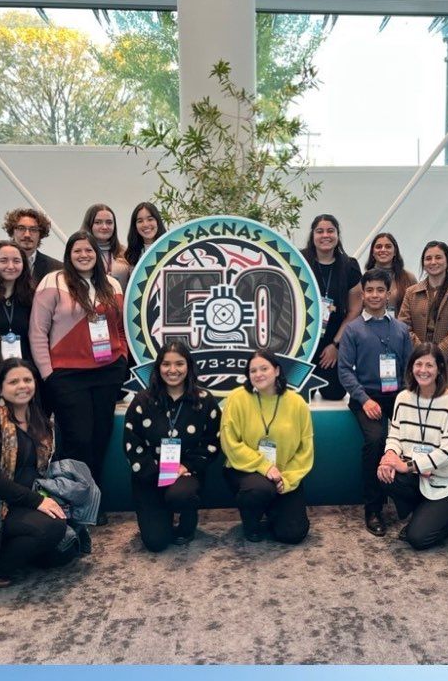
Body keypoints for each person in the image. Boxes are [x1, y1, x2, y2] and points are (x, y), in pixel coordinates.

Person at [0, 359, 89, 584]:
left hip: (24, 498)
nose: (23, 386)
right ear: (0, 388)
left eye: (28, 380)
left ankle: (14, 549)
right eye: (14, 381)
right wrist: (38, 501)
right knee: (53, 528)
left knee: (64, 554)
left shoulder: (37, 418)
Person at [29, 230, 128, 484]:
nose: (84, 255)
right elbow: (37, 331)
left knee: (101, 437)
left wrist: (122, 358)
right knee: (78, 439)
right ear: (69, 254)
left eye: (89, 250)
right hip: (67, 375)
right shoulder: (53, 282)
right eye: (78, 250)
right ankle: (75, 498)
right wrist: (48, 373)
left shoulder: (112, 284)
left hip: (107, 372)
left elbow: (119, 327)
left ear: (97, 254)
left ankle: (93, 499)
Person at [121, 337, 223, 550]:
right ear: (158, 368)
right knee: (156, 542)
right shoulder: (141, 401)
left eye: (179, 363)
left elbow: (212, 442)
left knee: (180, 495)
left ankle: (187, 519)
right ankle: (162, 515)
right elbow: (133, 446)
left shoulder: (205, 400)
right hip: (147, 476)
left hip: (185, 475)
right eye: (166, 364)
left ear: (188, 366)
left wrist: (186, 467)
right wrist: (158, 472)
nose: (172, 370)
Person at [379, 341, 448, 547]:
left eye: (429, 365)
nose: (423, 370)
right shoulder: (403, 398)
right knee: (385, 475)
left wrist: (408, 465)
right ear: (411, 367)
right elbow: (395, 434)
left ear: (440, 368)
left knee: (418, 538)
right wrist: (389, 457)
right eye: (418, 364)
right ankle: (434, 514)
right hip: (420, 474)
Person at [339, 267, 413, 536]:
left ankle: (409, 498)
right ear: (363, 293)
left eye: (380, 290)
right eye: (369, 290)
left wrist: (407, 399)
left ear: (389, 293)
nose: (374, 295)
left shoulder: (401, 329)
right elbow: (345, 370)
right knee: (375, 441)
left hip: (397, 397)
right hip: (366, 398)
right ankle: (373, 507)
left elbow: (409, 367)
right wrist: (364, 399)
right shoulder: (353, 330)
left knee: (411, 438)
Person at [221, 348, 314, 543]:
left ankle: (273, 511)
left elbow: (305, 450)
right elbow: (230, 443)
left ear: (277, 370)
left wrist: (286, 480)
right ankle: (251, 522)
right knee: (259, 489)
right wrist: (264, 466)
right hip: (246, 471)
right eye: (253, 371)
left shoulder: (297, 403)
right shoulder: (237, 398)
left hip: (284, 474)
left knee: (294, 533)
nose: (258, 374)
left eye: (264, 368)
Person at [301, 214, 363, 401]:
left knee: (334, 394)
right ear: (313, 235)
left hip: (333, 341)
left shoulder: (349, 266)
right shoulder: (300, 261)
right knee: (302, 395)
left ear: (337, 235)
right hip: (303, 342)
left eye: (330, 230)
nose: (325, 235)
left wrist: (336, 345)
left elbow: (355, 310)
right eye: (320, 231)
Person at [399, 239, 448, 392]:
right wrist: (422, 355)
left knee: (443, 404)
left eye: (438, 257)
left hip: (446, 363)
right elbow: (404, 326)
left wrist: (436, 358)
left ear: (447, 261)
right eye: (428, 258)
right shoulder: (411, 292)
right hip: (416, 363)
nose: (433, 262)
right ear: (423, 263)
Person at [350, 232, 412, 318]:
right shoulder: (363, 279)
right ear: (373, 252)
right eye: (379, 247)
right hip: (370, 329)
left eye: (388, 246)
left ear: (395, 252)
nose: (383, 250)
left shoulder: (408, 278)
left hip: (400, 329)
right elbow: (356, 309)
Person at [114, 201, 165, 285]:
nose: (145, 224)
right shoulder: (130, 255)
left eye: (150, 219)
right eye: (140, 221)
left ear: (157, 221)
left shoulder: (171, 250)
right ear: (135, 226)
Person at [4, 206, 58, 284]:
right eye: (21, 228)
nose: (27, 235)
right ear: (12, 232)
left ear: (40, 234)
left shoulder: (55, 269)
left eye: (33, 230)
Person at [80, 203, 123, 285]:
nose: (104, 227)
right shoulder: (80, 254)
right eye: (98, 222)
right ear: (89, 225)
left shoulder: (124, 253)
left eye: (109, 222)